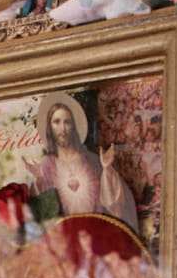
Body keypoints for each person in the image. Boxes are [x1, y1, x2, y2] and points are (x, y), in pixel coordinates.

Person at [24, 91, 138, 229]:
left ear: (73, 126)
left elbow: (113, 204)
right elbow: (42, 217)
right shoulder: (47, 165)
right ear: (49, 127)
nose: (62, 128)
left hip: (94, 234)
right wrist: (39, 180)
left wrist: (107, 170)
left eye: (67, 122)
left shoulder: (91, 159)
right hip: (65, 240)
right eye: (56, 122)